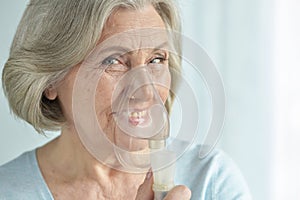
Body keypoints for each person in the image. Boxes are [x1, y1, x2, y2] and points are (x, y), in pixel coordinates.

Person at [0, 0, 252, 199]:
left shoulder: (211, 181)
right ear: (50, 80)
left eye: (156, 60)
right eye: (113, 61)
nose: (145, 92)